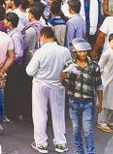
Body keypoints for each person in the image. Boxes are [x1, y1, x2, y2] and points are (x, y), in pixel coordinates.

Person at [26, 26, 71, 154]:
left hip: (40, 84)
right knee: (58, 114)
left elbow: (29, 71)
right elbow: (69, 69)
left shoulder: (40, 52)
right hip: (58, 85)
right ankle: (60, 143)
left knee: (40, 113)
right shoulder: (65, 51)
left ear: (43, 36)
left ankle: (41, 143)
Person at [61, 38, 102, 154]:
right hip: (73, 102)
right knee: (76, 130)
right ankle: (79, 151)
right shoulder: (69, 65)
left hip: (88, 103)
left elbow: (99, 86)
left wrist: (100, 102)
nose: (83, 53)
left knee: (88, 130)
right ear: (75, 52)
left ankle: (90, 152)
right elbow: (64, 83)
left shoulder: (94, 67)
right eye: (80, 51)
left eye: (85, 51)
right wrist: (64, 75)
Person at [97, 33, 113, 133]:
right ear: (109, 42)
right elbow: (99, 67)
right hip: (105, 80)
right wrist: (99, 80)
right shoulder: (106, 53)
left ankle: (107, 121)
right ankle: (101, 122)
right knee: (103, 102)